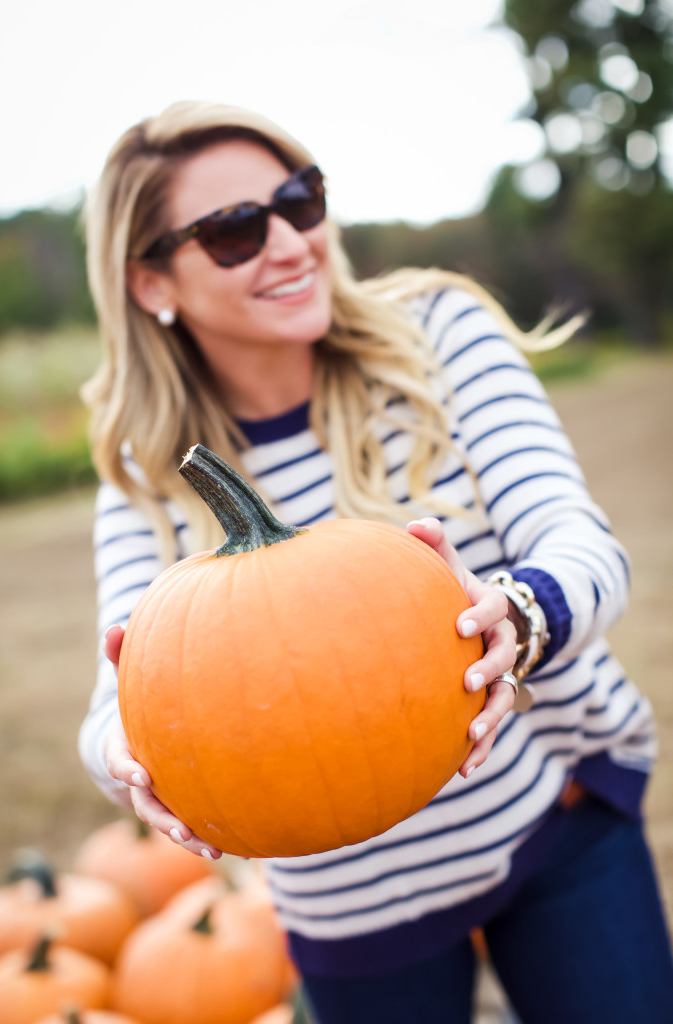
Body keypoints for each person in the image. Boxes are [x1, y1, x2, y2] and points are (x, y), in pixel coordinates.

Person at [78, 100, 673, 1024]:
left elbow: (576, 539)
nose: (287, 243)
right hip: (353, 902)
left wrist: (514, 618)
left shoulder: (436, 333)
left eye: (298, 201)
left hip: (549, 814)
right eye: (234, 231)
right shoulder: (147, 476)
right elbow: (109, 705)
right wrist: (130, 754)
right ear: (150, 280)